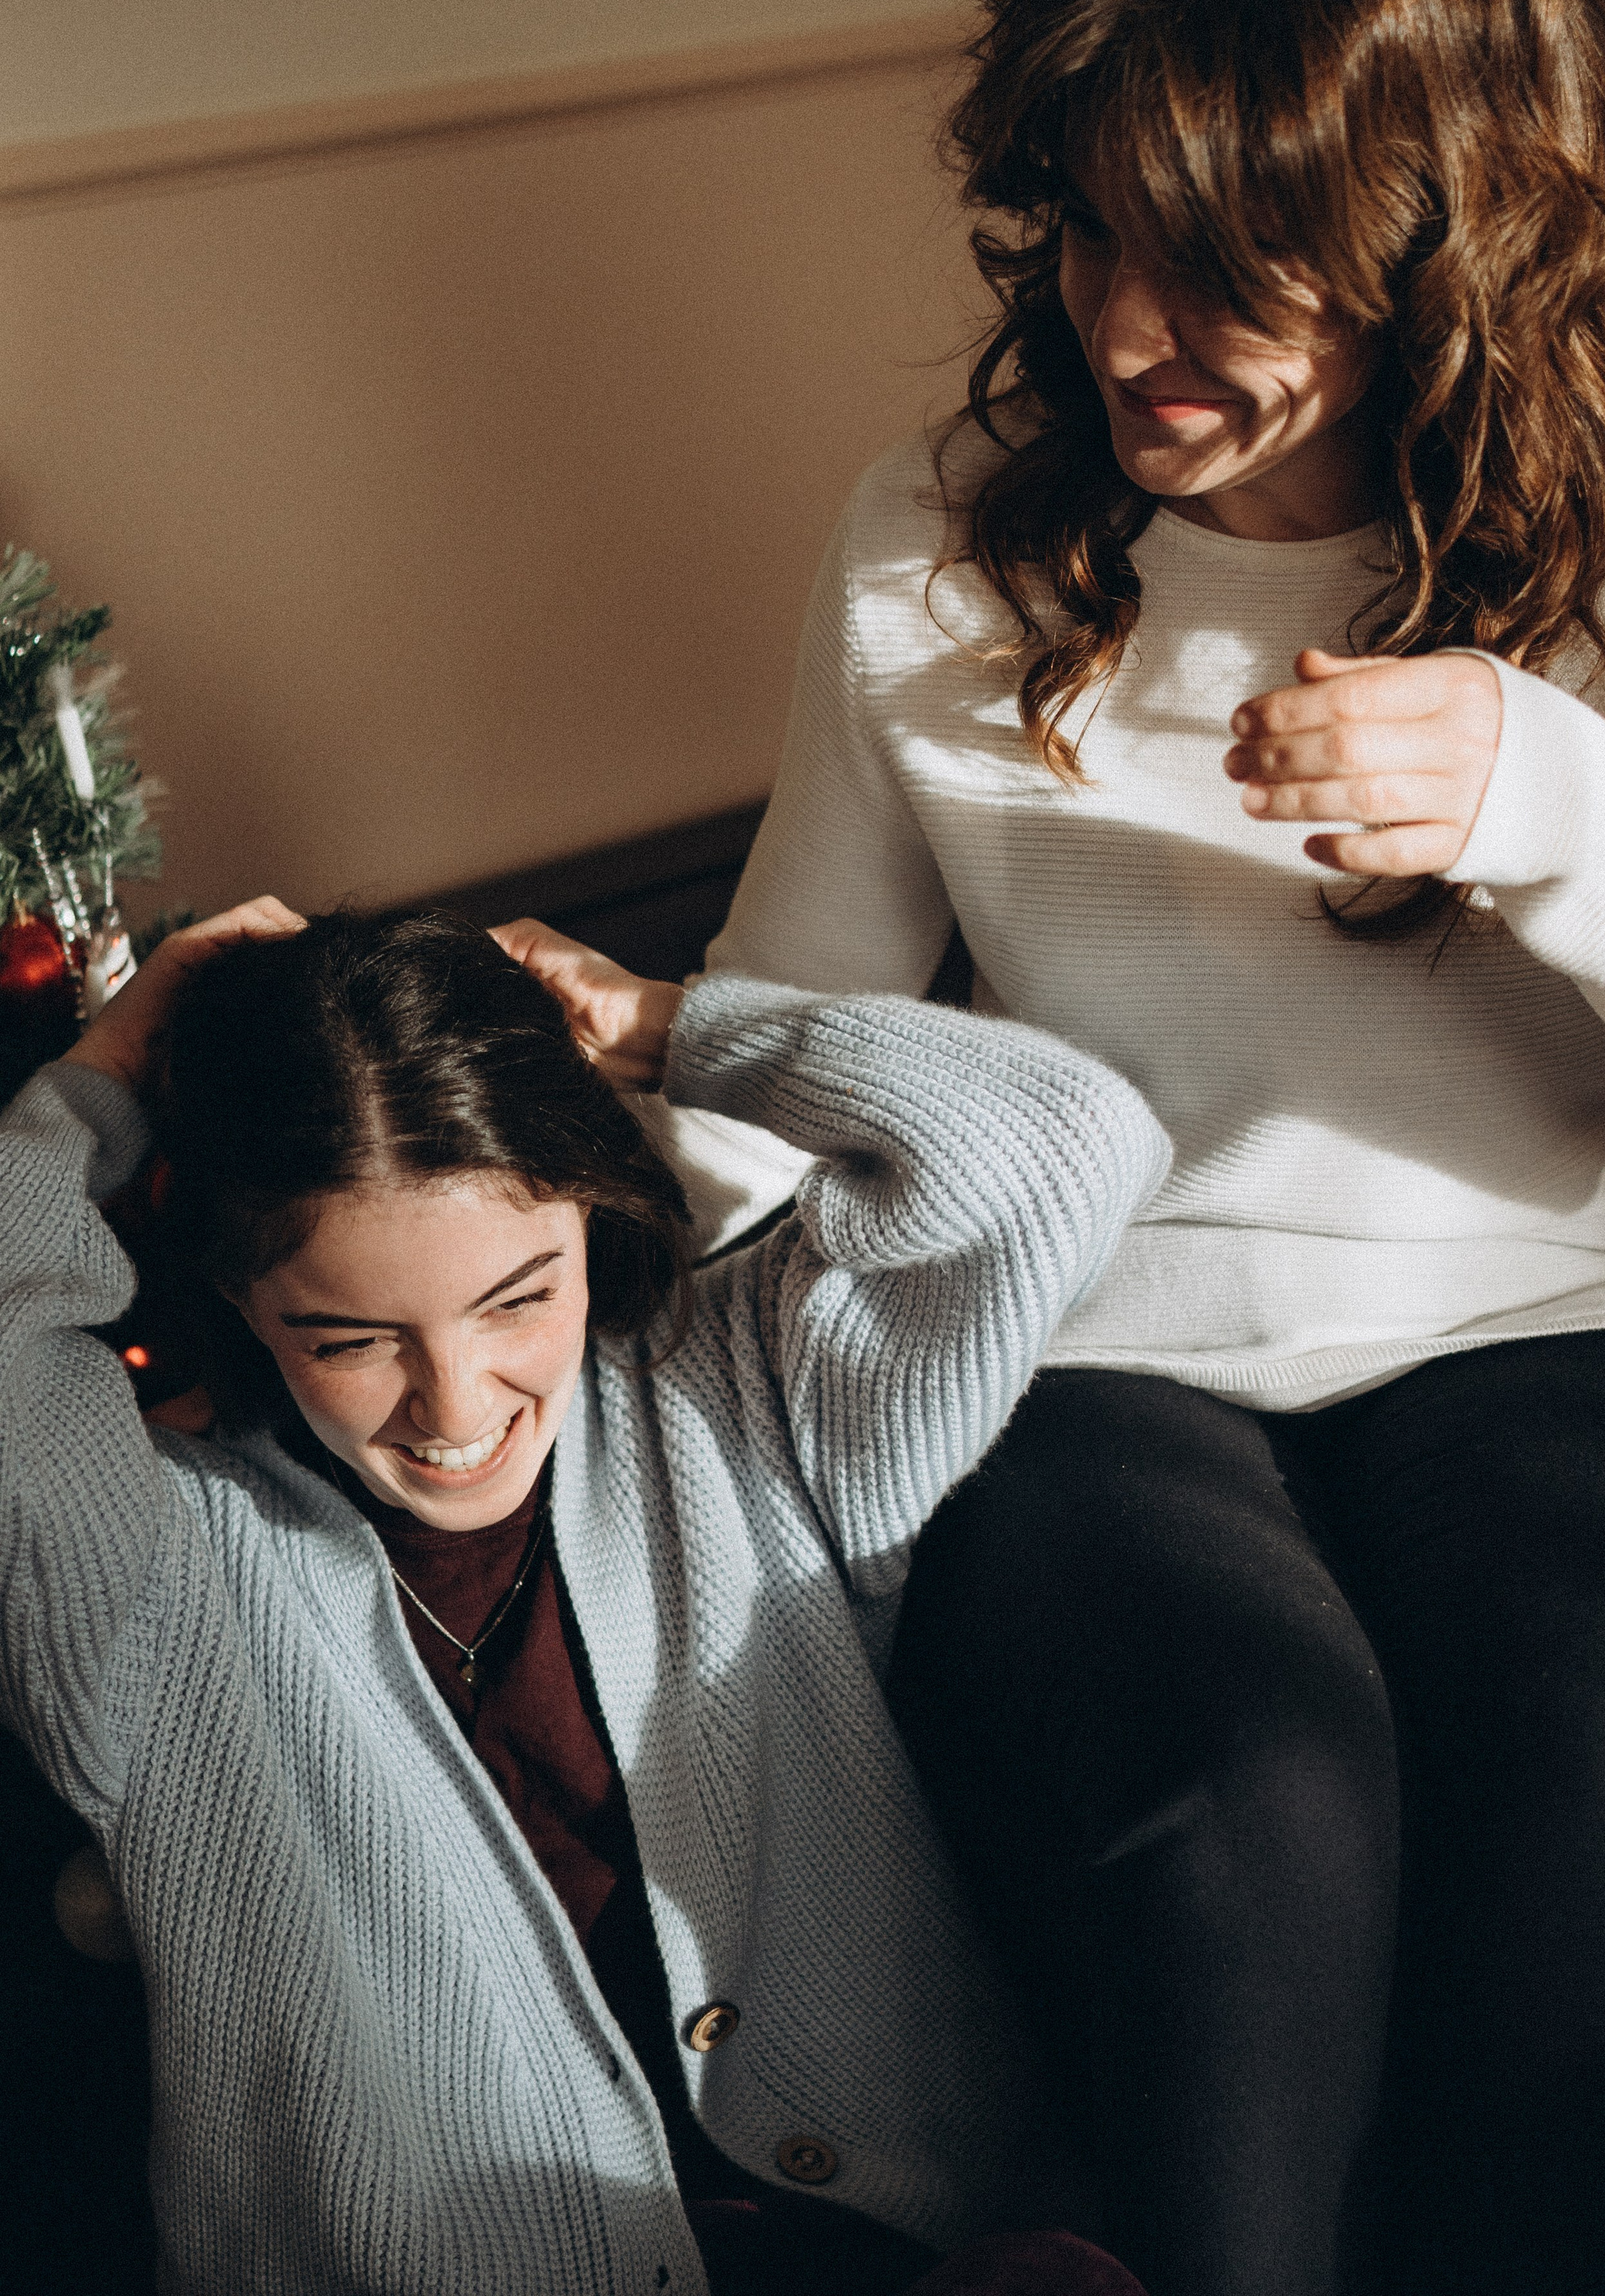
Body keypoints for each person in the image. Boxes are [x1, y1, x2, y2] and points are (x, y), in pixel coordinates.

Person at [651, 0, 1605, 2296]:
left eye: (1226, 269)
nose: (1121, 329)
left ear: (1438, 256)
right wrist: (549, 1169)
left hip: (1570, 1315)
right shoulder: (936, 538)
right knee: (1237, 1810)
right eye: (1087, 228)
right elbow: (794, 1035)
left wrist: (1550, 799)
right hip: (1098, 1338)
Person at [0, 897, 1168, 2296]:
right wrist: (104, 1077)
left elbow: (1066, 1148)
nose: (457, 1405)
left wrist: (652, 1022)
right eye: (355, 1338)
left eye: (516, 1299)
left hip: (915, 2252)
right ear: (244, 1305)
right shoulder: (145, 1571)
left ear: (587, 1213)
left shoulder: (744, 1400)